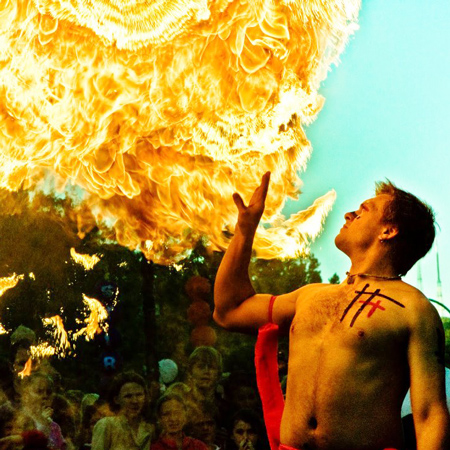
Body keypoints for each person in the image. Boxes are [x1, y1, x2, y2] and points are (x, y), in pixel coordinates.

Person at [213, 172, 450, 450]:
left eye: (363, 211)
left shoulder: (414, 309)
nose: (349, 214)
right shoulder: (310, 295)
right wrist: (245, 230)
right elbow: (229, 310)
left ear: (388, 231)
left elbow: (429, 414)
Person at [91, 371, 154, 450]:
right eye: (128, 396)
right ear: (116, 399)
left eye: (139, 395)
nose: (135, 401)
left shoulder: (149, 428)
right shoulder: (106, 425)